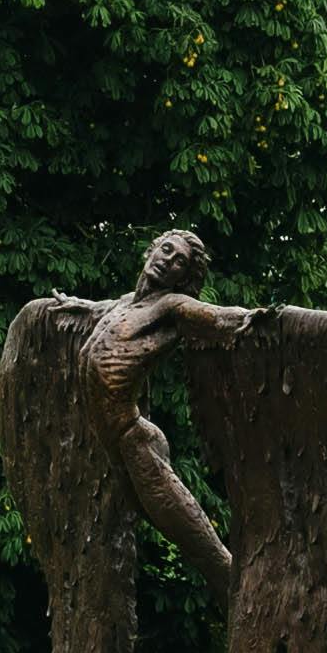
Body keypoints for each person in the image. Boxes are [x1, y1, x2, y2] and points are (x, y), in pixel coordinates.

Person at [82, 230, 252, 590]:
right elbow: (88, 310)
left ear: (183, 277)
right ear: (152, 249)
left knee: (209, 554)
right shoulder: (125, 303)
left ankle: (251, 607)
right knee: (105, 547)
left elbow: (222, 318)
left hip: (134, 442)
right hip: (109, 446)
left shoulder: (170, 307)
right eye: (166, 249)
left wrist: (260, 318)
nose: (167, 260)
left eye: (179, 262)